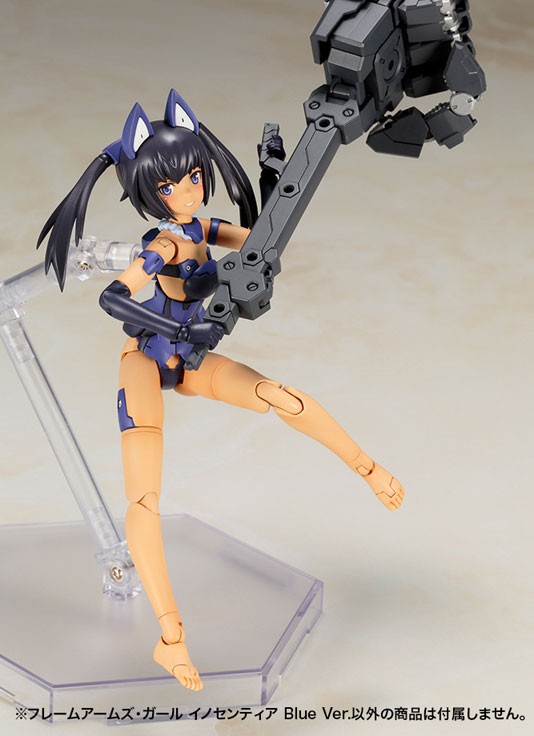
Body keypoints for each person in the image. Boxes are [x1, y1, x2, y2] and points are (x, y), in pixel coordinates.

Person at [38, 89, 404, 690]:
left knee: (279, 396)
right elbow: (113, 297)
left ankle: (368, 468)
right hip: (145, 361)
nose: (187, 191)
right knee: (144, 500)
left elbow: (260, 240)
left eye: (193, 178)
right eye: (171, 186)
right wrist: (181, 328)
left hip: (191, 359)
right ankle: (170, 638)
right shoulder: (161, 246)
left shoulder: (203, 227)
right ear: (150, 192)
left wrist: (275, 174)